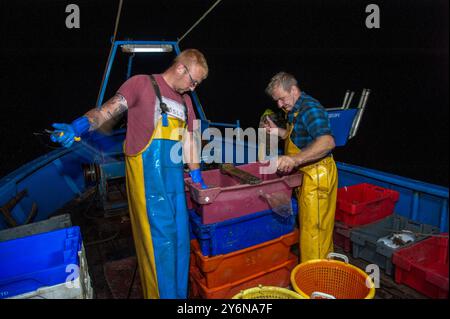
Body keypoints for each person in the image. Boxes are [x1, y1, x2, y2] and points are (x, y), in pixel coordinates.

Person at [50, 49, 209, 298]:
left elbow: (189, 141)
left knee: (180, 247)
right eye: (194, 81)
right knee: (158, 250)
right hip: (148, 188)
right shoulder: (141, 84)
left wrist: (197, 176)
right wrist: (79, 125)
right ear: (181, 68)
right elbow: (104, 112)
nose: (194, 88)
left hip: (176, 189)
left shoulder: (186, 103)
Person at [263, 72, 337, 263]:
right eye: (276, 101)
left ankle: (316, 283)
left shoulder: (310, 109)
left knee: (315, 233)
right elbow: (295, 133)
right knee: (308, 228)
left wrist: (294, 160)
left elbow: (327, 142)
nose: (279, 105)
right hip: (306, 175)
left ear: (294, 90)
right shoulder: (294, 108)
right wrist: (277, 132)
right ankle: (313, 270)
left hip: (319, 175)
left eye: (281, 98)